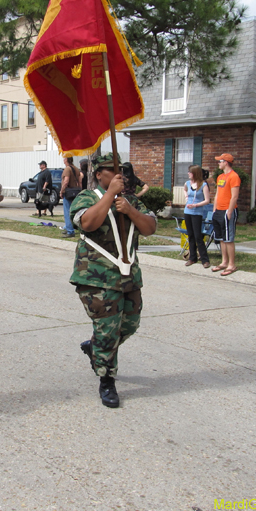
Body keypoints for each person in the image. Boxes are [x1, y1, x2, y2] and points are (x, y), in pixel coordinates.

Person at [72, 153, 157, 408]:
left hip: (128, 275)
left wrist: (129, 209)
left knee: (129, 325)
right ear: (98, 174)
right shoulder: (87, 198)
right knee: (108, 328)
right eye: (112, 170)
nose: (120, 174)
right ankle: (106, 380)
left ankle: (96, 348)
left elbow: (150, 227)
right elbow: (87, 222)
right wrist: (110, 195)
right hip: (96, 276)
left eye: (123, 170)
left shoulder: (130, 201)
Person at [211, 153, 240, 276]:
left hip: (228, 210)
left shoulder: (234, 176)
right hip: (218, 210)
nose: (218, 163)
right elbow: (217, 194)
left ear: (226, 162)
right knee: (222, 238)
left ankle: (231, 264)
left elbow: (234, 196)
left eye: (220, 161)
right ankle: (224, 261)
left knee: (229, 238)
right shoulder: (220, 177)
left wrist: (229, 210)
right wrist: (214, 209)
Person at [183, 165, 211, 268]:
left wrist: (195, 205)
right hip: (187, 211)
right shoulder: (187, 183)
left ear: (195, 173)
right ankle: (192, 258)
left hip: (197, 212)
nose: (188, 174)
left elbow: (207, 200)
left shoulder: (203, 185)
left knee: (198, 236)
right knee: (190, 235)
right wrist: (186, 199)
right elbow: (185, 189)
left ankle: (205, 259)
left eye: (190, 172)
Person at [60, 157, 82, 237]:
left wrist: (62, 191)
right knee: (74, 211)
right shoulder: (76, 169)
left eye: (64, 159)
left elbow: (66, 181)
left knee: (67, 211)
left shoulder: (67, 169)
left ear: (66, 160)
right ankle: (70, 227)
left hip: (69, 192)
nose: (63, 160)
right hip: (76, 191)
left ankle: (70, 231)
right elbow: (80, 181)